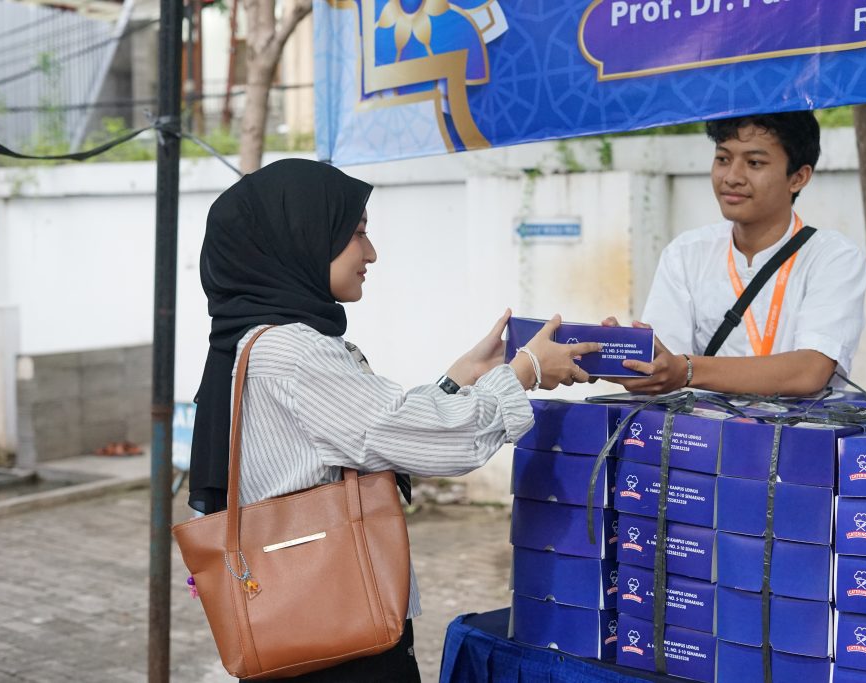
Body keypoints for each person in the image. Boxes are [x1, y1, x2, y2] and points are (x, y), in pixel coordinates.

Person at [187, 158, 599, 682]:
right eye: (356, 233)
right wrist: (527, 371)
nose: (371, 252)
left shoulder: (253, 338)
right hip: (334, 636)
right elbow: (431, 439)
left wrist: (460, 378)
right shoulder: (290, 350)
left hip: (312, 623)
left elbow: (367, 434)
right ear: (302, 238)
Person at [605, 111, 866, 396]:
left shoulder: (833, 258)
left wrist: (686, 371)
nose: (732, 177)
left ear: (798, 177)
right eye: (723, 159)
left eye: (754, 163)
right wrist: (627, 358)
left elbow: (809, 371)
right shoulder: (686, 254)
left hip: (795, 436)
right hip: (702, 438)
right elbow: (664, 365)